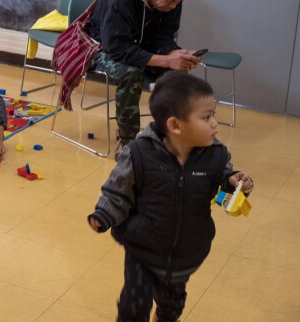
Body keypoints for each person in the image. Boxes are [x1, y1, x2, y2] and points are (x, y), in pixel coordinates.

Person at [88, 72, 253, 322]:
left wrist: (233, 181)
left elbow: (223, 177)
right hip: (142, 247)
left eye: (214, 114)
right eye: (206, 117)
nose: (214, 124)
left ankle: (165, 315)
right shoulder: (138, 154)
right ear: (175, 125)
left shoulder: (216, 155)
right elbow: (117, 190)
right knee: (132, 307)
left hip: (185, 251)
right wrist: (104, 214)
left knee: (172, 304)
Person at [84, 0, 200, 156]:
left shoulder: (172, 0)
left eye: (177, 3)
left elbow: (163, 36)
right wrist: (165, 60)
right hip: (99, 47)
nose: (173, 7)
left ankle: (167, 134)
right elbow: (118, 49)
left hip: (136, 44)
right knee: (131, 74)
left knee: (177, 71)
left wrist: (174, 53)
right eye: (171, 1)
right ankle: (128, 141)